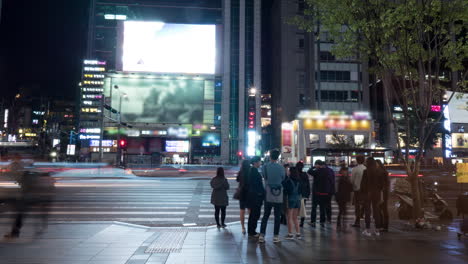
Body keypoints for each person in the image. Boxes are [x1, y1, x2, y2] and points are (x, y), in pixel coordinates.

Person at [259, 149, 286, 243]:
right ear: (278, 157)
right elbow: (283, 178)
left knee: (265, 215)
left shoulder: (265, 166)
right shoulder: (281, 167)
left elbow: (264, 176)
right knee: (277, 216)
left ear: (270, 156)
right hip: (279, 194)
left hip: (268, 194)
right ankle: (276, 237)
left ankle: (262, 235)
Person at [360, 157, 385, 236]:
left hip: (367, 193)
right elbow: (382, 185)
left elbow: (362, 184)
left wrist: (362, 193)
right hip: (376, 193)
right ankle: (377, 230)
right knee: (376, 211)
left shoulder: (365, 172)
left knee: (367, 212)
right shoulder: (379, 172)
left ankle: (367, 230)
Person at [308, 160, 333, 227]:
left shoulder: (317, 171)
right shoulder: (328, 171)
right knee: (322, 207)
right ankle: (322, 221)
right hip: (325, 193)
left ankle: (313, 221)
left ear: (318, 165)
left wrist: (314, 167)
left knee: (314, 207)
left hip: (316, 192)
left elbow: (309, 171)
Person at [247, 156, 265, 237]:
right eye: (259, 161)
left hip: (253, 196)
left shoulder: (252, 170)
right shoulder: (254, 171)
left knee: (253, 214)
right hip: (255, 196)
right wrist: (261, 193)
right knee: (255, 214)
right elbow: (256, 185)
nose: (260, 163)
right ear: (255, 162)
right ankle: (252, 231)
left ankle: (251, 231)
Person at [283, 166, 302, 239]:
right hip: (298, 200)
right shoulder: (299, 181)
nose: (287, 172)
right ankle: (298, 233)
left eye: (288, 171)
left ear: (290, 172)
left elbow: (285, 191)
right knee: (295, 218)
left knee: (289, 217)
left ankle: (290, 234)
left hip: (290, 199)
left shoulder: (288, 181)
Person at [236, 160, 251, 234]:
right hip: (249, 193)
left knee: (242, 210)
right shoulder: (250, 171)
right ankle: (250, 226)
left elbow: (237, 180)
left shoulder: (241, 172)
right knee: (250, 210)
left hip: (242, 193)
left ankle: (243, 228)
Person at [351, 155, 366, 228]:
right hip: (365, 190)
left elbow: (352, 180)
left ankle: (357, 221)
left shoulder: (355, 169)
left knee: (357, 206)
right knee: (364, 204)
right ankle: (363, 218)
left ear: (357, 160)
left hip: (357, 190)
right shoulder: (366, 168)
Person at [376, 160, 390, 232]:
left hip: (382, 193)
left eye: (376, 164)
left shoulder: (380, 172)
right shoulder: (383, 171)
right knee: (382, 209)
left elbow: (382, 184)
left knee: (382, 209)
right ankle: (384, 226)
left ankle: (383, 226)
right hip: (383, 193)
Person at [297, 161, 311, 227]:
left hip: (296, 194)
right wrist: (308, 194)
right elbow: (308, 185)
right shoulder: (304, 174)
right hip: (303, 194)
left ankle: (294, 220)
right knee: (302, 208)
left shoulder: (295, 174)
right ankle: (301, 222)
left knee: (294, 208)